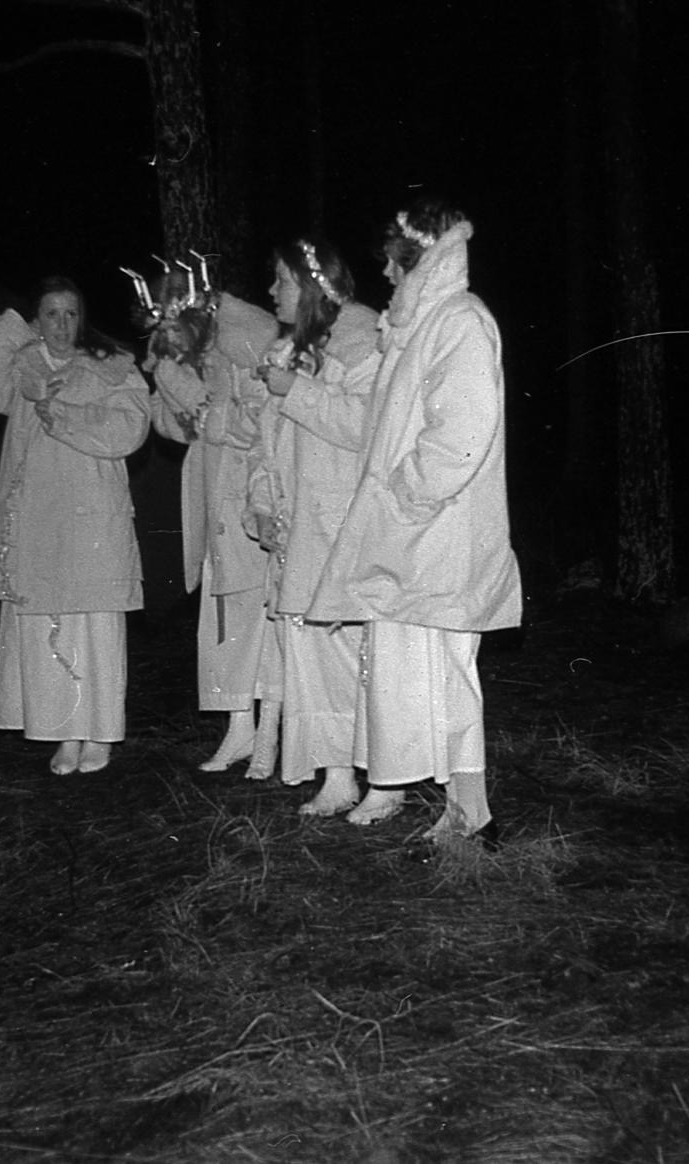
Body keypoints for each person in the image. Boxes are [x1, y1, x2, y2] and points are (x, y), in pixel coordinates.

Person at [306, 198, 522, 840]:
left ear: (416, 258)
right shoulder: (420, 327)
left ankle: (471, 814)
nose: (386, 275)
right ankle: (453, 808)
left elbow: (463, 433)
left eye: (394, 263)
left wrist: (404, 492)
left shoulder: (460, 319)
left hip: (441, 533)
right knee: (414, 675)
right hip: (412, 538)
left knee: (448, 675)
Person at [0, 277, 150, 774]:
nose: (62, 326)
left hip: (92, 515)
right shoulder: (22, 369)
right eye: (50, 314)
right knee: (47, 624)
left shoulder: (112, 366)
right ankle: (64, 731)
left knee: (94, 625)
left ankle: (100, 732)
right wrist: (15, 329)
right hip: (38, 519)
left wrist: (65, 416)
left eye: (70, 314)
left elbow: (130, 429)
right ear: (36, 320)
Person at [250, 237, 380, 814]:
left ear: (310, 285)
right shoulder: (290, 349)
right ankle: (336, 774)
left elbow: (367, 426)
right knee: (312, 652)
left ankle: (385, 778)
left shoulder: (362, 340)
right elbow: (267, 441)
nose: (271, 291)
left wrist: (298, 391)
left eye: (281, 280)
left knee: (353, 652)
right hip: (299, 526)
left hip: (343, 524)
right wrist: (261, 503)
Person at [140, 262, 283, 776]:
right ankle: (239, 726)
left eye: (174, 320)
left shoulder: (241, 350)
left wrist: (206, 413)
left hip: (249, 494)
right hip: (211, 493)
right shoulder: (191, 358)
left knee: (260, 616)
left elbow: (261, 421)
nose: (168, 331)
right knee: (224, 618)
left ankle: (269, 730)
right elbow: (175, 425)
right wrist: (172, 385)